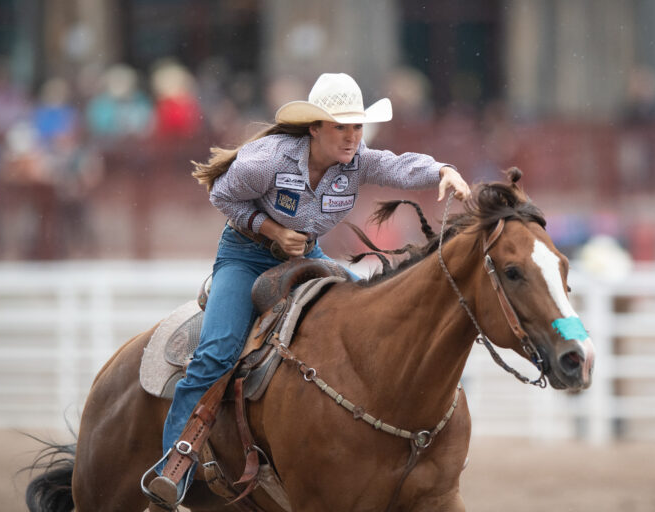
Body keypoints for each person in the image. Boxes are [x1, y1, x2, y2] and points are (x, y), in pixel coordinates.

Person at [142, 72, 471, 510]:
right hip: (246, 256)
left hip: (306, 255)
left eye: (357, 126)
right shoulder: (267, 161)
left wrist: (442, 170)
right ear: (315, 128)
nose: (353, 136)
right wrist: (271, 228)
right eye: (342, 127)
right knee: (217, 351)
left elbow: (397, 164)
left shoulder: (357, 160)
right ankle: (174, 466)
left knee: (371, 315)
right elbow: (222, 195)